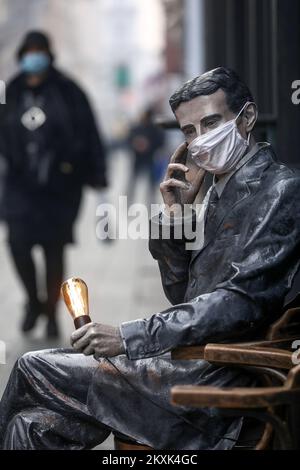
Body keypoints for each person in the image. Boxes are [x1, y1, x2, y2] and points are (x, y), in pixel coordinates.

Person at [1, 67, 300, 450]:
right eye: (189, 131)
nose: (201, 140)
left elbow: (238, 303)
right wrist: (176, 217)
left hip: (217, 376)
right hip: (190, 363)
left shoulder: (280, 189)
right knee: (29, 427)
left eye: (211, 123)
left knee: (31, 365)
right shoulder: (217, 190)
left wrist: (127, 336)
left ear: (247, 118)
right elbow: (183, 295)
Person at [0, 31, 107, 338]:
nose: (35, 56)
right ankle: (33, 302)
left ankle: (50, 314)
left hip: (60, 185)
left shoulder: (69, 90)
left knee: (53, 250)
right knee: (17, 244)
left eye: (40, 50)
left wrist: (97, 175)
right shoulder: (10, 91)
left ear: (49, 53)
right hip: (20, 184)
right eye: (29, 51)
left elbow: (89, 133)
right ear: (22, 55)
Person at [127, 108, 165, 207]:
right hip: (138, 159)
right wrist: (136, 144)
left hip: (150, 159)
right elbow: (129, 140)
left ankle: (151, 204)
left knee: (150, 186)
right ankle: (128, 203)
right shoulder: (136, 128)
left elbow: (161, 142)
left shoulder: (154, 129)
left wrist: (148, 145)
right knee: (132, 184)